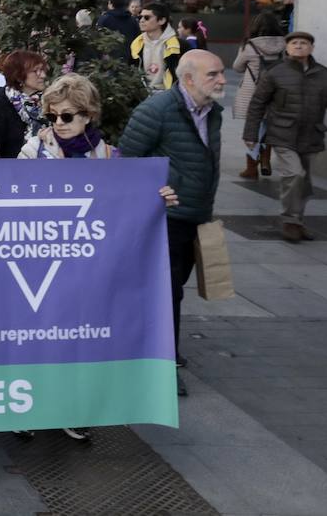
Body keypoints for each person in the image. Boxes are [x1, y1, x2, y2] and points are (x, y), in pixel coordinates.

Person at [119, 50, 227, 396]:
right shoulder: (157, 111)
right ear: (188, 78)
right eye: (213, 74)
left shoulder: (213, 112)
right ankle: (164, 365)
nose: (222, 80)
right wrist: (156, 190)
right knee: (168, 293)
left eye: (221, 73)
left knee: (172, 288)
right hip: (165, 217)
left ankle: (150, 348)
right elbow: (127, 161)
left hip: (196, 215)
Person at [243, 31, 327, 243]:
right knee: (294, 174)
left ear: (311, 48)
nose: (299, 46)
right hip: (282, 133)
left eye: (304, 43)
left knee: (305, 181)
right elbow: (257, 103)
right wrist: (251, 133)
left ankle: (298, 221)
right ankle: (290, 221)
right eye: (294, 43)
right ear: (287, 48)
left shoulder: (324, 74)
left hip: (311, 135)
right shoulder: (275, 72)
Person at [232, 11, 285, 179]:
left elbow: (237, 67)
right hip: (276, 92)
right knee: (267, 127)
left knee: (252, 128)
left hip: (252, 92)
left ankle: (252, 166)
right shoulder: (284, 45)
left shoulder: (250, 46)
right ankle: (266, 160)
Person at [0, 50, 49, 160]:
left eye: (43, 70)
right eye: (36, 71)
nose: (43, 75)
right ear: (19, 76)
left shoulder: (47, 102)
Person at [131, 2, 181, 91]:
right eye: (140, 17)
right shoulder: (137, 44)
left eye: (147, 18)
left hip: (168, 95)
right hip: (142, 95)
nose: (141, 20)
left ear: (162, 20)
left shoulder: (178, 45)